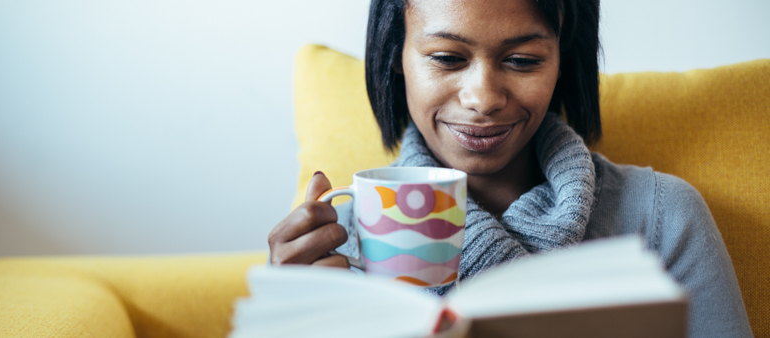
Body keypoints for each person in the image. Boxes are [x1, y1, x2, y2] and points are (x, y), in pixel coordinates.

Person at [267, 0, 753, 336]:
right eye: (446, 58)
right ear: (397, 56)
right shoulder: (338, 246)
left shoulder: (662, 217)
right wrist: (286, 316)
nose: (482, 99)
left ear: (563, 60)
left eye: (522, 60)